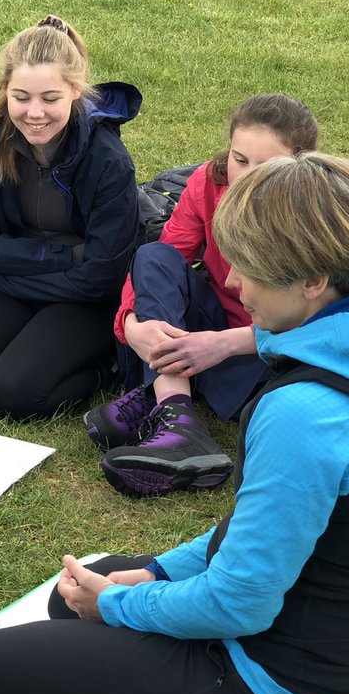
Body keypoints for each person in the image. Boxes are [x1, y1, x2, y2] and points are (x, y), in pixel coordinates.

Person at [0, 152, 349, 694]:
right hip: (325, 628)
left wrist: (123, 607)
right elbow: (257, 527)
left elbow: (239, 604)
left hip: (283, 685)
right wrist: (157, 571)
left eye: (249, 268)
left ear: (313, 281)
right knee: (71, 595)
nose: (233, 282)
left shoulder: (308, 412)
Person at [84, 93, 318, 497]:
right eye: (239, 159)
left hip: (268, 350)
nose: (246, 176)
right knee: (153, 254)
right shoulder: (208, 184)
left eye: (266, 166)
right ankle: (177, 416)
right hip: (206, 332)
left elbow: (326, 324)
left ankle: (157, 400)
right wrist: (132, 325)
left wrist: (224, 345)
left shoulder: (316, 209)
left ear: (299, 164)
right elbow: (162, 259)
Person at [0, 16, 143, 420]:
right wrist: (60, 258)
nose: (34, 113)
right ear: (5, 89)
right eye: (21, 97)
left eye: (50, 98)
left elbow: (102, 275)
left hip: (84, 298)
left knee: (16, 395)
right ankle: (27, 336)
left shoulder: (107, 160)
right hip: (30, 280)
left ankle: (105, 367)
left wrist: (0, 268)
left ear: (76, 91)